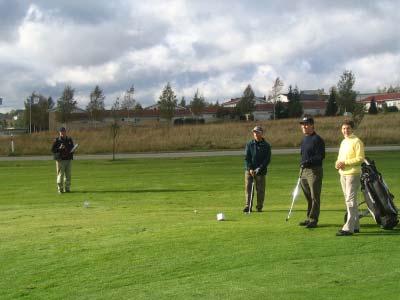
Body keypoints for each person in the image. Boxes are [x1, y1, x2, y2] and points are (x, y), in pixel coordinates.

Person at [335, 119, 365, 236]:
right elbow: (339, 158)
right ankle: (356, 225)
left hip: (353, 174)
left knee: (350, 200)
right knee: (349, 200)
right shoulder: (343, 142)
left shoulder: (357, 141)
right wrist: (337, 164)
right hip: (343, 174)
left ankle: (348, 228)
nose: (345, 130)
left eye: (348, 128)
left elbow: (360, 158)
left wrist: (345, 163)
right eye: (343, 128)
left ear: (352, 129)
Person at [298, 116, 325, 228]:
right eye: (302, 124)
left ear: (312, 125)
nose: (304, 126)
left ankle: (313, 219)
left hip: (314, 171)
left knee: (314, 196)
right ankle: (309, 217)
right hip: (304, 171)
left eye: (306, 124)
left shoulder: (317, 139)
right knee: (308, 196)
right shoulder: (304, 139)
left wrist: (308, 162)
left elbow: (320, 156)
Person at [243, 126, 271, 213]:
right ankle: (248, 206)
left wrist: (259, 168)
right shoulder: (250, 144)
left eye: (257, 132)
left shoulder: (266, 146)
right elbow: (247, 158)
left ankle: (259, 206)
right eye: (254, 132)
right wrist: (250, 168)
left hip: (261, 171)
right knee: (248, 188)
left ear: (261, 133)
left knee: (260, 190)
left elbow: (267, 160)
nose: (255, 134)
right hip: (249, 171)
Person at [51, 127, 74, 194]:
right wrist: (59, 148)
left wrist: (73, 150)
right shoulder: (57, 140)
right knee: (60, 175)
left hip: (68, 160)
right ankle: (60, 189)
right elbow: (52, 150)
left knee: (68, 175)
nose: (62, 133)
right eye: (61, 132)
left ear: (65, 132)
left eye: (63, 131)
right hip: (60, 160)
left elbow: (72, 148)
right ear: (59, 132)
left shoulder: (69, 139)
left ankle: (67, 188)